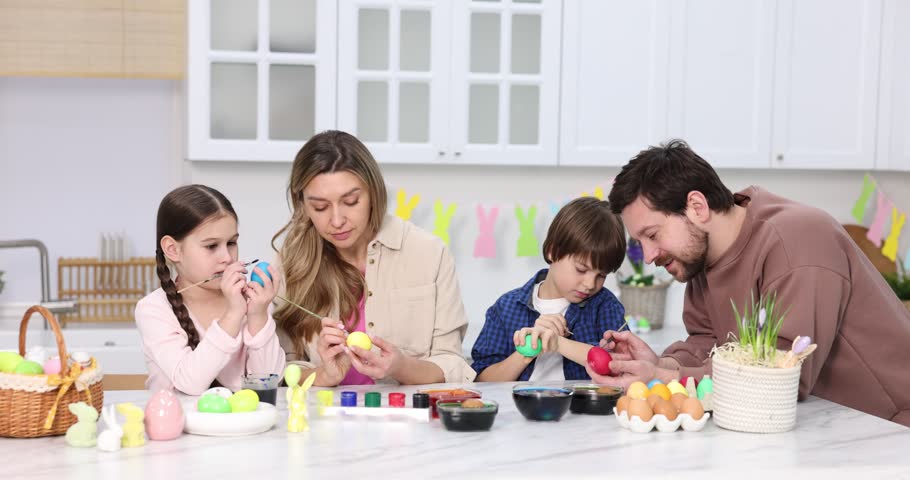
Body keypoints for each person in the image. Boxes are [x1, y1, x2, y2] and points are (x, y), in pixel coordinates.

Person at [593, 139, 910, 426]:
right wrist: (660, 362)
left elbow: (783, 377)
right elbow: (707, 342)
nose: (648, 256)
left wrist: (663, 375)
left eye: (652, 235)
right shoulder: (705, 256)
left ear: (697, 207)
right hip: (825, 426)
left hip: (890, 431)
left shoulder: (798, 241)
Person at [273, 130, 475, 386]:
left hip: (405, 420)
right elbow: (281, 367)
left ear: (373, 194)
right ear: (302, 204)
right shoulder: (292, 262)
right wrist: (323, 375)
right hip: (321, 420)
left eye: (351, 201)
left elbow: (451, 362)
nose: (336, 221)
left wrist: (402, 367)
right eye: (320, 207)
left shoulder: (429, 253)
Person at [136, 185, 286, 395]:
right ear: (173, 249)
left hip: (244, 426)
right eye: (211, 246)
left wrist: (258, 314)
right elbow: (190, 383)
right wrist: (233, 315)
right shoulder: (153, 309)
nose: (227, 257)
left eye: (232, 243)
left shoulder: (249, 300)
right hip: (178, 427)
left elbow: (270, 382)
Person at [471, 197, 627, 381]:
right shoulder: (506, 308)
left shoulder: (605, 306)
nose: (590, 284)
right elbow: (482, 381)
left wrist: (558, 343)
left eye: (601, 275)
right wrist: (528, 349)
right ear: (553, 251)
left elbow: (618, 365)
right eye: (581, 269)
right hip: (518, 409)